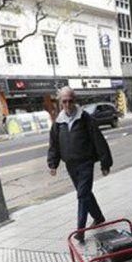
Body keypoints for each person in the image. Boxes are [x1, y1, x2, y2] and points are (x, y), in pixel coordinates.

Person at [47, 87, 113, 243]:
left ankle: (80, 231)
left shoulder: (84, 117)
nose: (68, 104)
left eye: (70, 100)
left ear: (74, 100)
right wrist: (53, 163)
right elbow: (54, 144)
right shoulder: (58, 122)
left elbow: (98, 139)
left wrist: (105, 163)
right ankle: (98, 217)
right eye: (64, 101)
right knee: (86, 194)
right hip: (71, 165)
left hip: (85, 163)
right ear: (60, 102)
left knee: (82, 195)